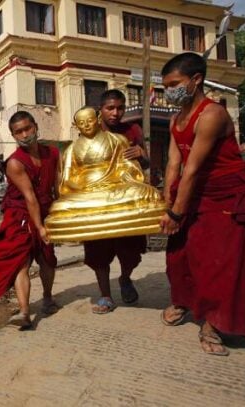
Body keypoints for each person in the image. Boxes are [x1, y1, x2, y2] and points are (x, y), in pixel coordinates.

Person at [159, 53, 245, 356]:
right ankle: (184, 300)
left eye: (175, 84)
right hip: (192, 194)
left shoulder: (212, 115)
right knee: (180, 255)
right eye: (166, 85)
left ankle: (212, 323)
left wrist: (176, 212)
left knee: (219, 262)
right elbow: (174, 163)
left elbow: (193, 168)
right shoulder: (175, 119)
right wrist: (168, 202)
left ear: (196, 81)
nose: (170, 91)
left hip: (224, 197)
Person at [0, 111, 60, 329]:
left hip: (46, 210)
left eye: (28, 128)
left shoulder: (53, 153)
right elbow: (30, 197)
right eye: (19, 132)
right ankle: (25, 311)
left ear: (35, 126)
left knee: (47, 259)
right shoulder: (15, 163)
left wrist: (59, 214)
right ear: (13, 136)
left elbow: (57, 185)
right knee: (21, 263)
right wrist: (39, 227)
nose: (25, 134)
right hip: (21, 216)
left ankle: (47, 297)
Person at [82, 90, 151, 313]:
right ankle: (105, 296)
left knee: (131, 252)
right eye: (110, 108)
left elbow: (147, 164)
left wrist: (141, 153)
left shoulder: (133, 130)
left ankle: (125, 278)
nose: (115, 113)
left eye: (120, 108)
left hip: (127, 202)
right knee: (99, 252)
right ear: (100, 110)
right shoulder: (89, 134)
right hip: (99, 203)